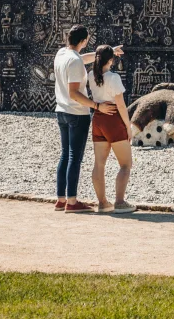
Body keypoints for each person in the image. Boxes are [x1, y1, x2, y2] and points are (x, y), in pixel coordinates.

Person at [54, 24, 123, 213]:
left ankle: (61, 199)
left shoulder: (61, 54)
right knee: (74, 157)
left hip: (61, 111)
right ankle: (72, 201)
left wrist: (110, 52)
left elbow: (82, 58)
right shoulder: (75, 62)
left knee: (65, 154)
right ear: (84, 40)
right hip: (76, 112)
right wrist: (96, 106)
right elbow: (75, 93)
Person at [88, 44, 136, 214]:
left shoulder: (90, 76)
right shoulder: (113, 77)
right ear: (111, 60)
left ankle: (102, 203)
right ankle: (120, 202)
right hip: (113, 118)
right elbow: (121, 105)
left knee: (99, 163)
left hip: (98, 119)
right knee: (125, 164)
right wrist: (128, 127)